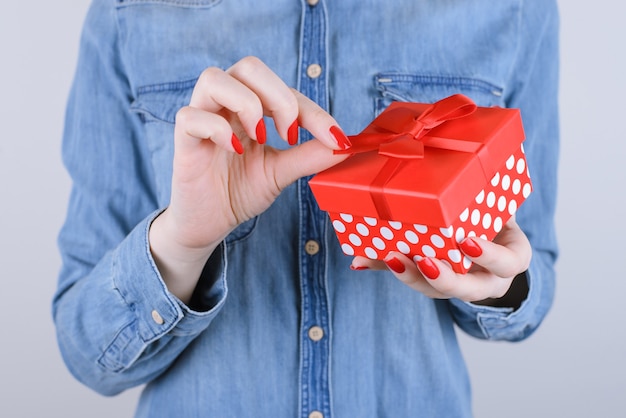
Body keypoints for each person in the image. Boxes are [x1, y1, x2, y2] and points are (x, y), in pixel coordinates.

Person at [53, 0, 559, 416]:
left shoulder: (513, 9)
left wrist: (499, 280)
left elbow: (533, 286)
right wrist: (184, 242)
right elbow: (88, 355)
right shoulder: (127, 14)